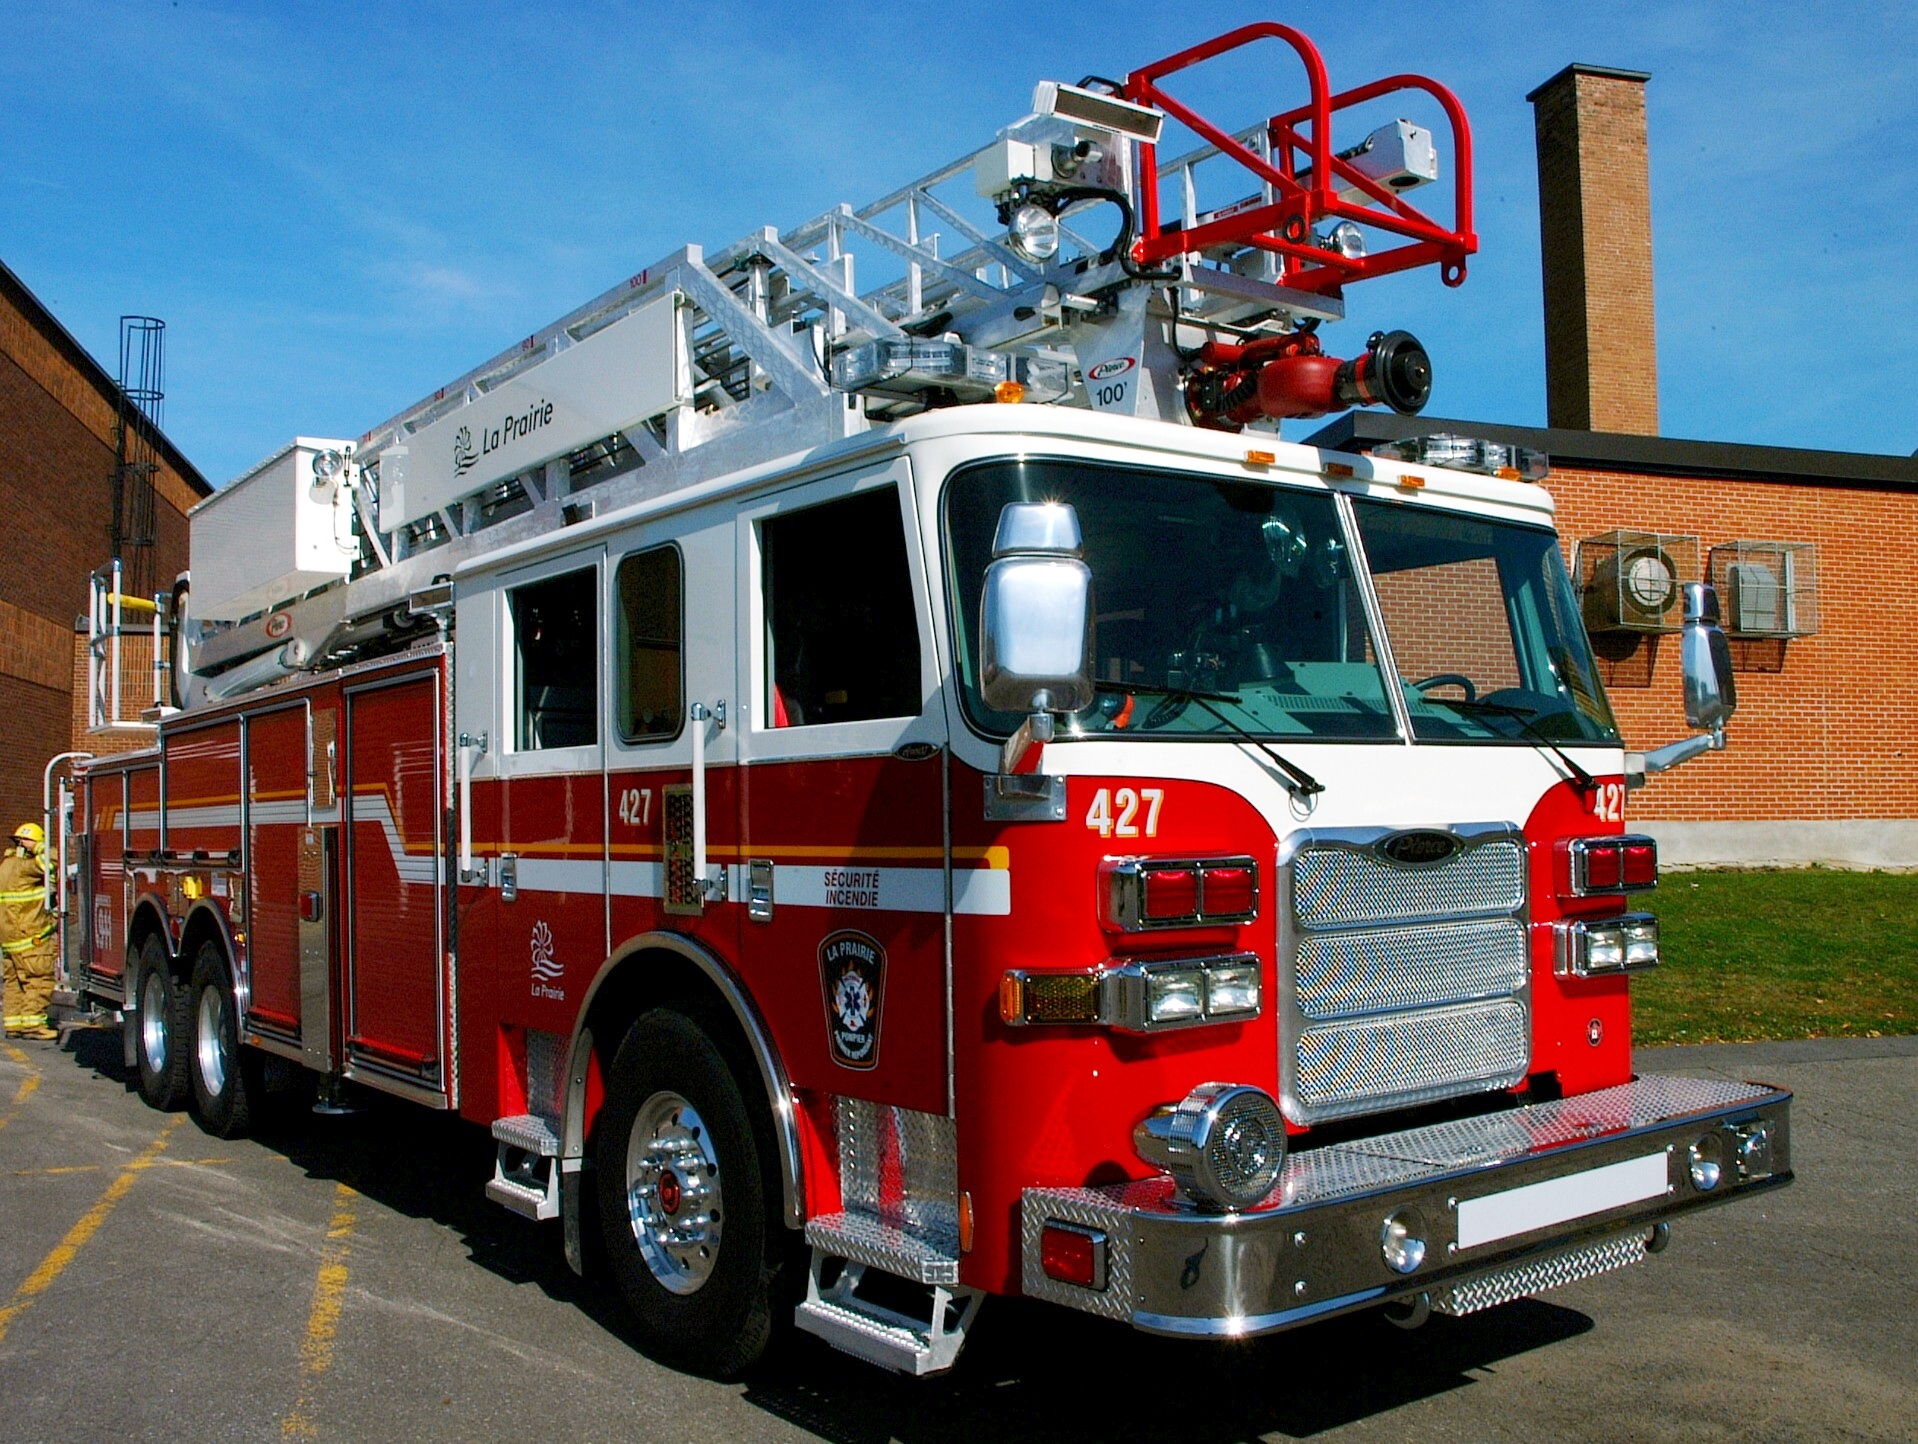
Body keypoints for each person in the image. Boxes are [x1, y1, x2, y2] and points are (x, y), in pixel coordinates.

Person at [1, 822, 58, 1040]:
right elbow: (53, 860)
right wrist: (40, 846)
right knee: (39, 979)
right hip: (30, 935)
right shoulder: (25, 868)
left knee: (14, 981)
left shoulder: (6, 866)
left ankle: (14, 1024)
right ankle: (33, 1024)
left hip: (9, 938)